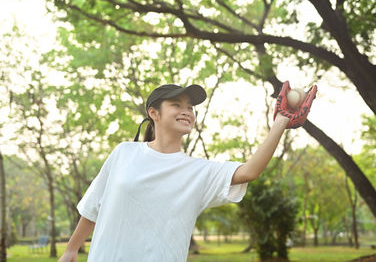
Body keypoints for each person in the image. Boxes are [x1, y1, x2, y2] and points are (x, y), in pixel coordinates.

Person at [58, 81, 317, 262]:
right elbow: (93, 207)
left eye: (190, 107)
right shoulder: (124, 153)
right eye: (176, 105)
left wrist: (281, 123)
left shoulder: (198, 171)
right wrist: (71, 249)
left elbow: (249, 171)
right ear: (153, 113)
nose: (186, 111)